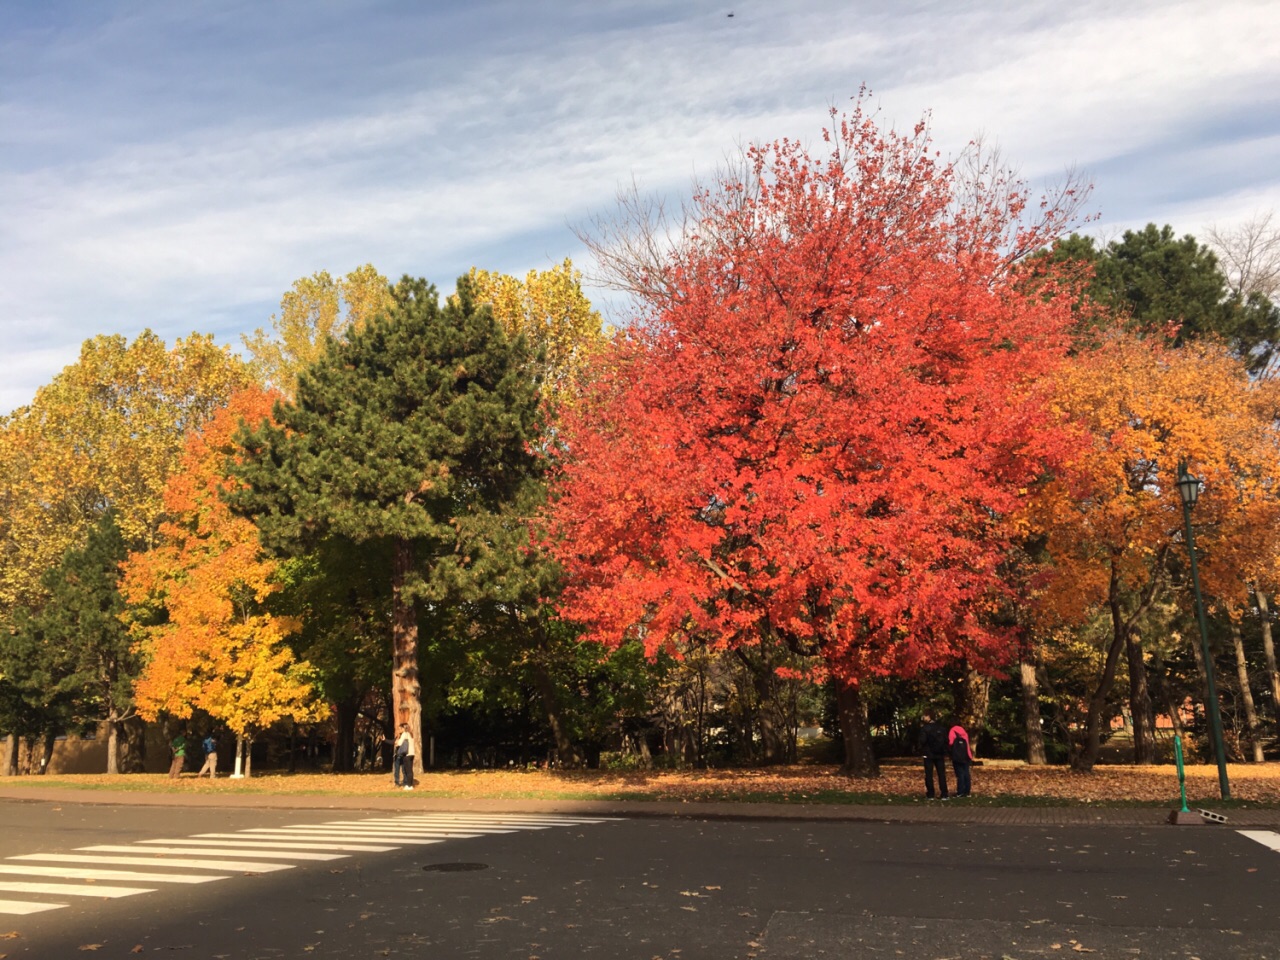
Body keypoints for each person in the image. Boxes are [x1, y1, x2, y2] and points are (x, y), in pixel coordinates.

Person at [915, 712, 949, 799]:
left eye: (925, 715)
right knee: (941, 774)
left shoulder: (925, 729)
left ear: (929, 716)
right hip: (940, 754)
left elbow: (922, 741)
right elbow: (946, 740)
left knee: (929, 774)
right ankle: (944, 793)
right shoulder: (941, 728)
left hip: (928, 754)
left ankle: (931, 794)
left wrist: (920, 749)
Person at [949, 722, 974, 797]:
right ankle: (967, 791)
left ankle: (960, 791)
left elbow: (950, 742)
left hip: (957, 756)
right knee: (966, 773)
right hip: (966, 755)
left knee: (960, 774)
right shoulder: (964, 732)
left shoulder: (952, 730)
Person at [394, 723, 415, 790]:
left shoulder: (404, 734)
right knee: (410, 770)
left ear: (403, 728)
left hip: (407, 754)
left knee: (407, 770)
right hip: (412, 753)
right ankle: (410, 785)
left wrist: (396, 743)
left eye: (400, 728)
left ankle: (408, 785)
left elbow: (399, 743)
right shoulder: (410, 734)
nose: (399, 730)